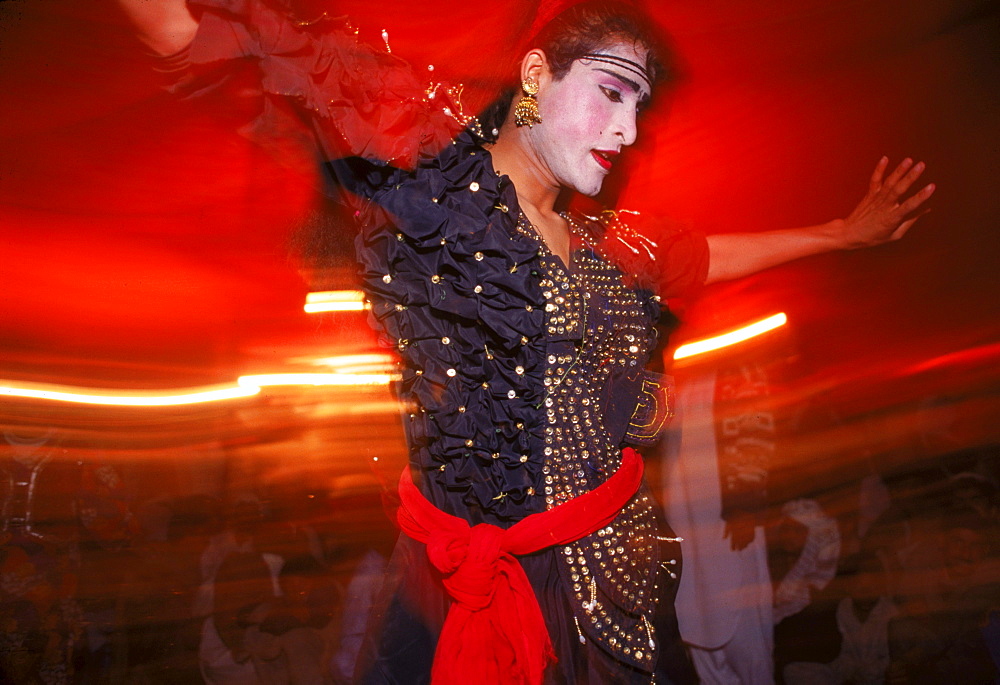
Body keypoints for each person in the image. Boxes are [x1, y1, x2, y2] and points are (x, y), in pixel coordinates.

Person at [115, 0, 935, 682]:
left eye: (640, 107)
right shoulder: (430, 188)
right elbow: (212, 37)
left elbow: (704, 254)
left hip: (610, 583)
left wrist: (841, 233)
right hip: (448, 590)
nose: (627, 130)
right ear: (537, 76)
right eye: (611, 93)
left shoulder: (616, 245)